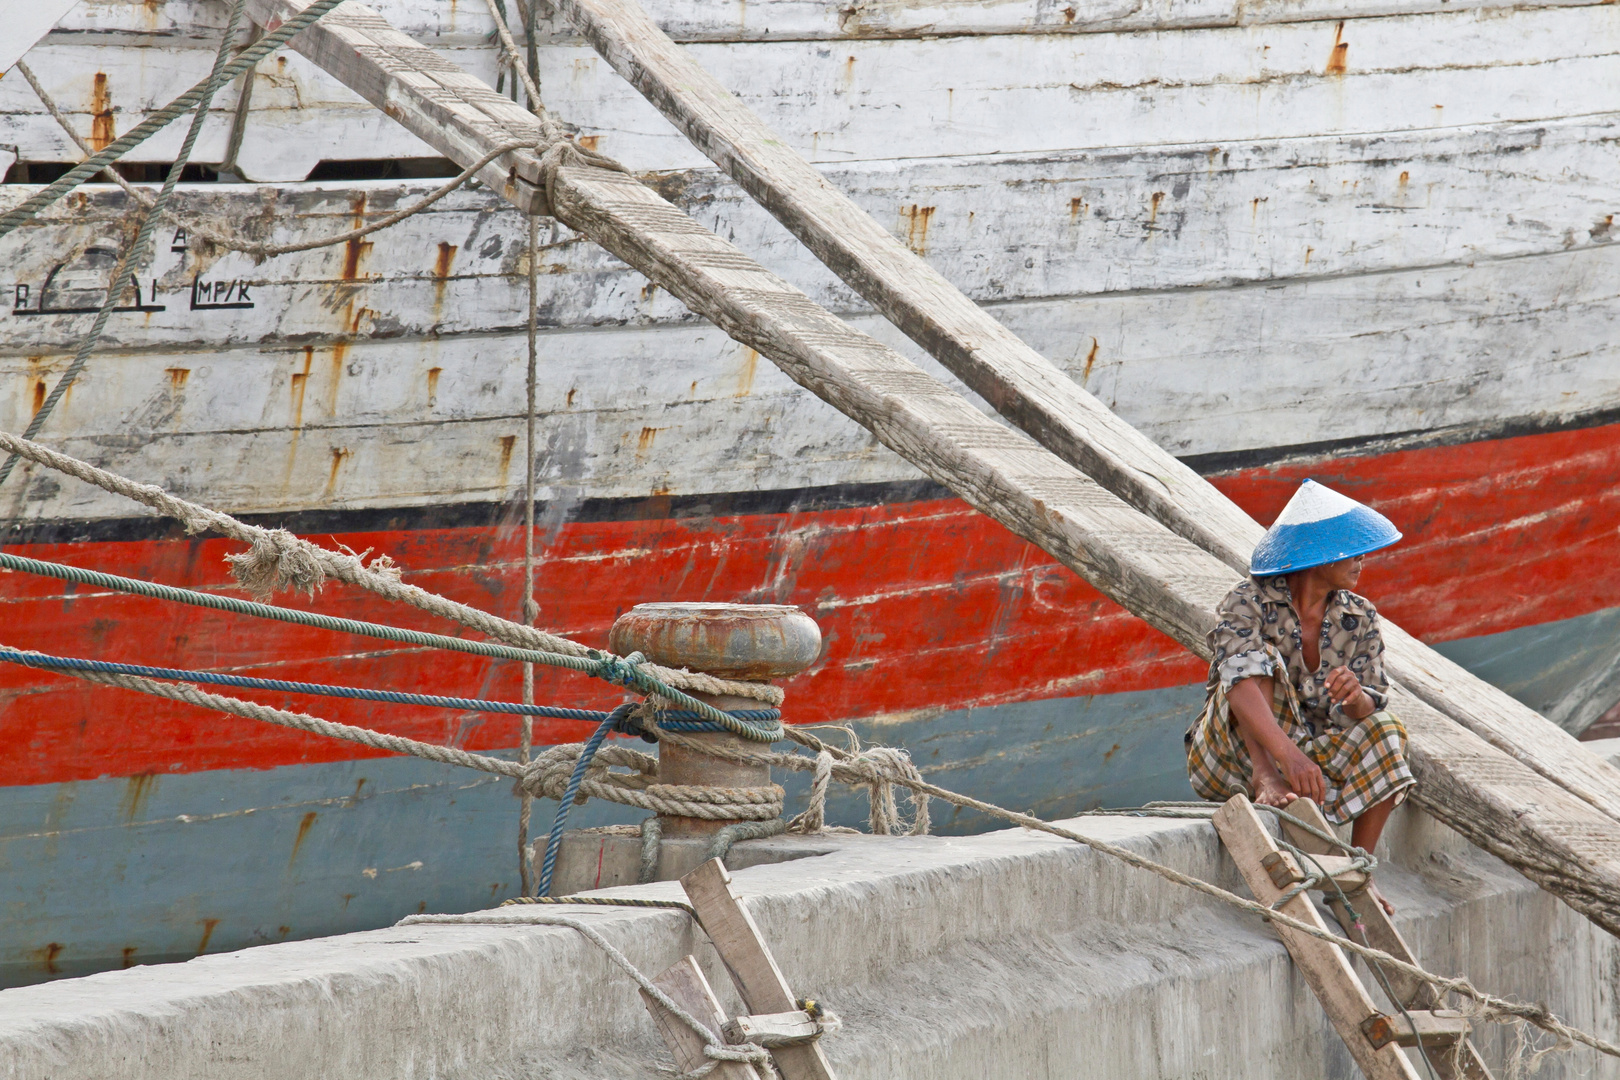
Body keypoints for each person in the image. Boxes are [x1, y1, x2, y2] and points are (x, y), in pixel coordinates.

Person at [1185, 480, 1415, 913]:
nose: (1362, 558)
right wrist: (1280, 762)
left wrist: (1355, 699)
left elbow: (1372, 702)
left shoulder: (1359, 615)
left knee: (1389, 729)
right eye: (1351, 549)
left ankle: (1355, 873)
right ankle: (1265, 779)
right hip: (1233, 755)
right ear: (1318, 554)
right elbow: (1236, 680)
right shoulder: (1248, 601)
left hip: (1309, 762)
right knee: (1259, 661)